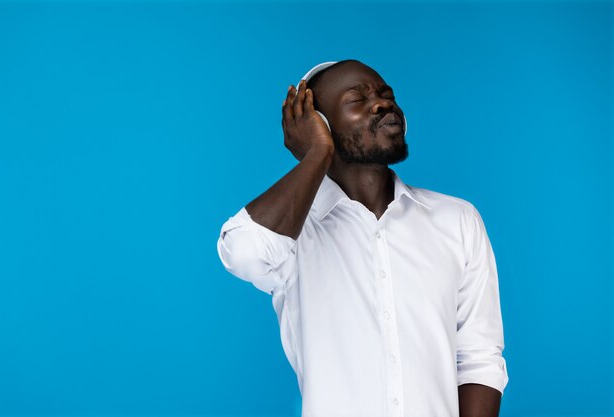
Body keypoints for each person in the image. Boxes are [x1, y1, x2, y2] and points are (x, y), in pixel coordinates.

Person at [216, 59, 509, 417]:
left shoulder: (458, 219)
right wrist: (317, 154)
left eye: (387, 95)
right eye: (358, 98)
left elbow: (478, 358)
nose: (383, 103)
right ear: (318, 124)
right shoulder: (292, 232)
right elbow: (243, 253)